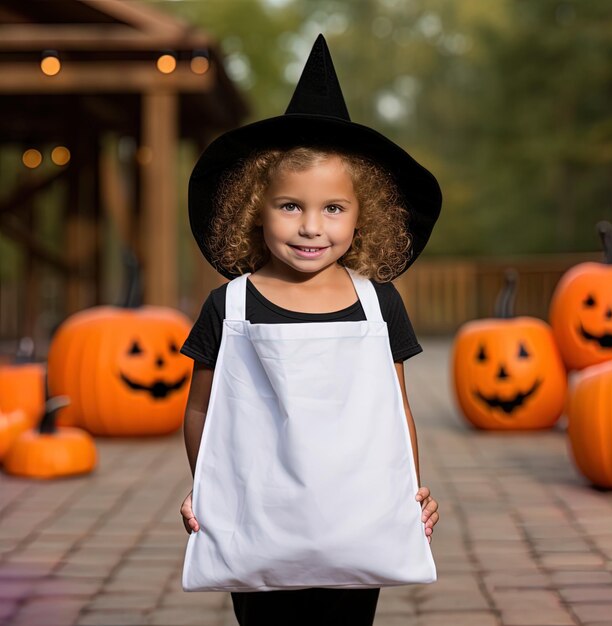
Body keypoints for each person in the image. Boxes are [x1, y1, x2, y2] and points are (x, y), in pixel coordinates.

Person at [179, 35, 442, 626]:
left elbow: (395, 411)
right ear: (256, 208)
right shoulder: (231, 306)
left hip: (357, 526)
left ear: (361, 214)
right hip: (257, 522)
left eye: (333, 208)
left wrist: (410, 492)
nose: (310, 227)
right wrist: (209, 485)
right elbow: (201, 409)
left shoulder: (379, 306)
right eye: (290, 206)